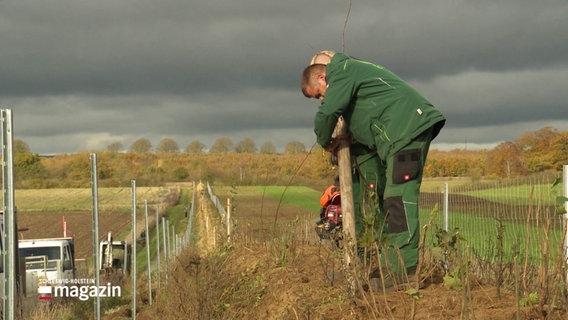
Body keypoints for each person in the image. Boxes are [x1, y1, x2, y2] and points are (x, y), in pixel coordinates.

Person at [301, 51, 446, 281]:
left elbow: (328, 112)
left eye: (319, 95)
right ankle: (387, 264)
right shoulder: (350, 76)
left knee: (398, 196)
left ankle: (403, 271)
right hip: (399, 132)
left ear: (321, 77)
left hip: (407, 129)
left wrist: (324, 141)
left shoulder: (342, 71)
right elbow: (367, 117)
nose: (322, 100)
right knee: (389, 196)